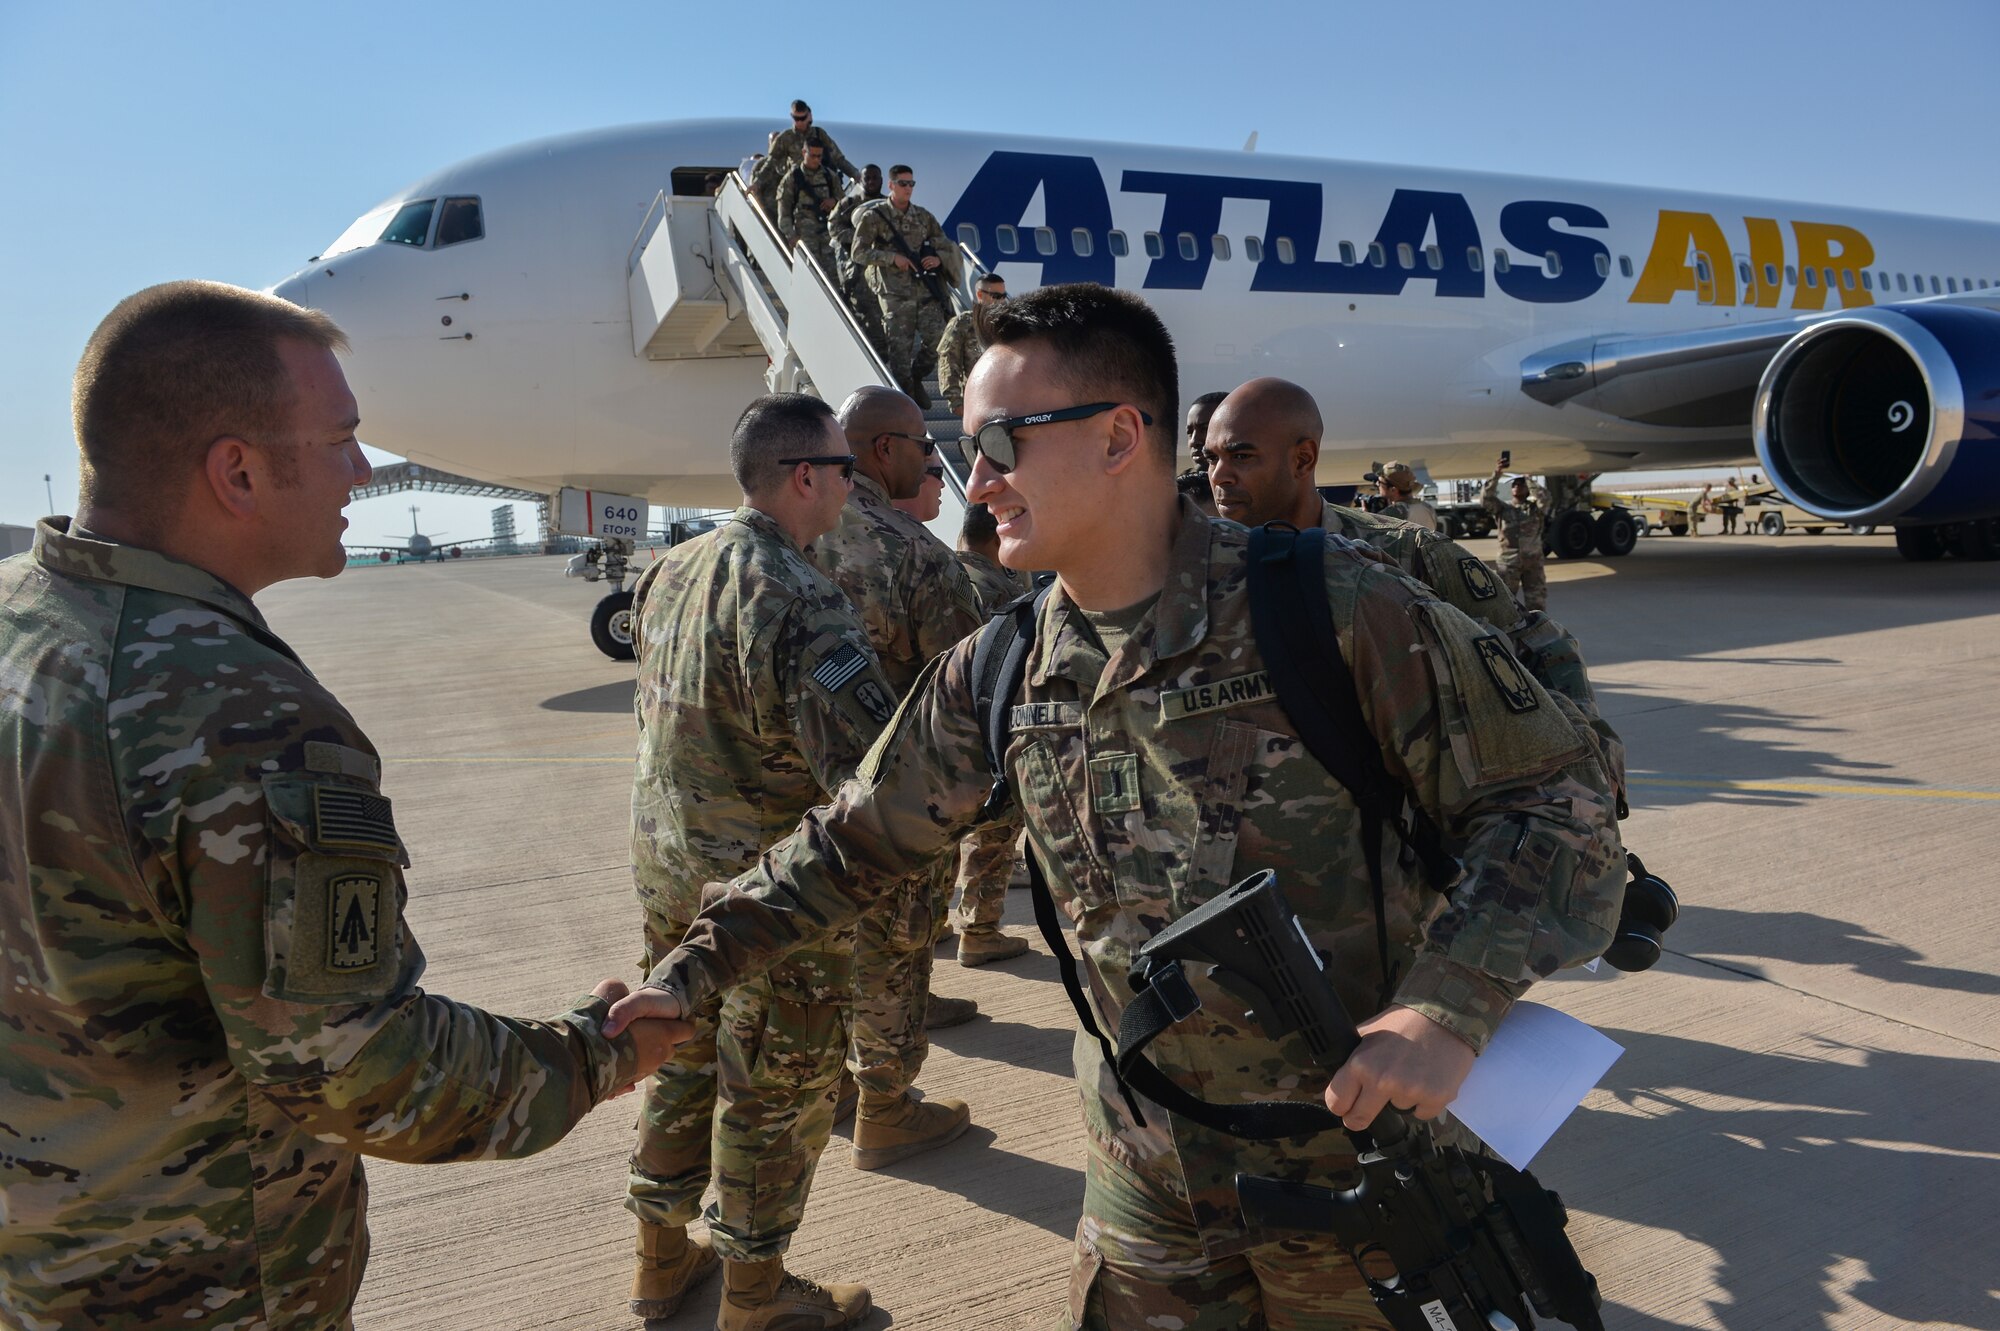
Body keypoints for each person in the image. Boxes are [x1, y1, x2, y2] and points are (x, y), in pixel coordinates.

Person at [606, 285, 1625, 1330]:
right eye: (967, 441)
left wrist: (1446, 1004)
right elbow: (852, 842)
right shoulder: (999, 664)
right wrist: (692, 973)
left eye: (1002, 438)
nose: (979, 475)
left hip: (1352, 1188)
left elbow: (1559, 800)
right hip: (1145, 1199)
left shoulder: (1327, 607)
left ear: (1117, 437)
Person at [0, 281, 688, 1330]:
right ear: (236, 470)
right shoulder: (233, 711)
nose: (361, 474)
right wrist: (595, 1051)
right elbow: (355, 1070)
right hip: (205, 1282)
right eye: (341, 441)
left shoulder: (23, 618)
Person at [623, 394, 892, 1330]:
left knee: (679, 1048)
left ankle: (663, 1261)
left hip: (668, 869)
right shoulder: (802, 596)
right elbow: (869, 770)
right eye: (847, 468)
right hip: (764, 896)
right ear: (805, 476)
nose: (854, 485)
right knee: (776, 1083)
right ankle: (757, 1295)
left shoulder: (672, 567)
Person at [1204, 377, 1625, 804]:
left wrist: (1591, 771)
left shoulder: (1405, 552)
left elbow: (1540, 647)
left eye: (1241, 456)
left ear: (1302, 459)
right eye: (1211, 458)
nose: (1219, 476)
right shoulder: (1199, 573)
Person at [810, 386, 986, 1169]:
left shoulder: (784, 537)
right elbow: (963, 686)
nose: (929, 454)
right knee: (893, 943)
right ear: (884, 451)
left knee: (815, 944)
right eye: (920, 441)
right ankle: (885, 1105)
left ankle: (832, 1092)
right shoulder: (913, 552)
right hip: (888, 798)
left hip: (791, 804)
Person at [949, 502, 1033, 968]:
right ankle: (980, 931)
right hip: (986, 735)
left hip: (937, 733)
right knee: (994, 834)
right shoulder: (999, 589)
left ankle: (941, 925)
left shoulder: (940, 572)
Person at [850, 165, 961, 407]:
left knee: (940, 340)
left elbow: (945, 244)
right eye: (903, 183)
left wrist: (939, 259)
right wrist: (892, 259)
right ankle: (907, 404)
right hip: (894, 294)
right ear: (891, 185)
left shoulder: (923, 216)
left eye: (911, 184)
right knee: (899, 353)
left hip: (925, 291)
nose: (908, 188)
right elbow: (858, 253)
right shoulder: (875, 217)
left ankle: (917, 376)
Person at [751, 100, 859, 215]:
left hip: (822, 187)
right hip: (799, 188)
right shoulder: (786, 138)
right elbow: (771, 162)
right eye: (796, 119)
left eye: (803, 118)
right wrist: (757, 183)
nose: (800, 122)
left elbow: (838, 159)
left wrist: (855, 174)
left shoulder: (819, 134)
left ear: (809, 116)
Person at [1480, 462, 1552, 611]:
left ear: (1527, 489)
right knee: (1505, 603)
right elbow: (1486, 498)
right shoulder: (1503, 509)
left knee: (1536, 603)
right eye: (1514, 485)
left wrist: (1530, 481)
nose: (1517, 487)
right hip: (1508, 563)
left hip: (1533, 563)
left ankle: (1538, 631)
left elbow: (1545, 499)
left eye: (1521, 484)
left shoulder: (1535, 510)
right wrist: (1497, 474)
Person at [830, 164, 887, 349]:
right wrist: (859, 238)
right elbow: (834, 227)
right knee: (861, 306)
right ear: (861, 181)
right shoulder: (849, 203)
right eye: (867, 178)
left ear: (881, 180)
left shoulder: (887, 205)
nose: (871, 182)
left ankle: (881, 350)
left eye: (874, 178)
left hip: (881, 265)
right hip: (855, 266)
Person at [938, 272, 1007, 415]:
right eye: (996, 296)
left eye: (1003, 296)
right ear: (980, 295)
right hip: (976, 400)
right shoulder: (963, 323)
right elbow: (948, 360)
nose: (1001, 302)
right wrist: (955, 400)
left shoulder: (1007, 325)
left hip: (1005, 400)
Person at [776, 139, 842, 277]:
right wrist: (790, 235)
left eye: (819, 156)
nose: (816, 160)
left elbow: (844, 202)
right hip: (805, 235)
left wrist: (834, 201)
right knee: (808, 274)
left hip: (827, 234)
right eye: (813, 155)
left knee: (832, 276)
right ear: (804, 152)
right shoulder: (792, 178)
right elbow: (784, 210)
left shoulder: (830, 176)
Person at [1363, 459, 1438, 531]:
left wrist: (1365, 516)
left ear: (1393, 489)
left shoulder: (1396, 511)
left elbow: (1367, 532)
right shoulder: (1427, 507)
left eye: (1380, 483)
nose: (1377, 485)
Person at [1184, 389, 1228, 472]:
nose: (1194, 441)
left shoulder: (1253, 483)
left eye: (1205, 429)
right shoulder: (1179, 484)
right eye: (1189, 432)